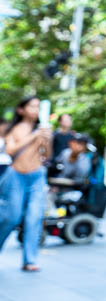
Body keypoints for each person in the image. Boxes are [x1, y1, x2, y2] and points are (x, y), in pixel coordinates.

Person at [0, 97, 53, 272]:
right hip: (16, 175)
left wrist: (47, 138)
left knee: (34, 217)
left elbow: (47, 155)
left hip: (37, 176)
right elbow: (10, 150)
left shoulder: (41, 129)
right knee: (11, 217)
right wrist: (34, 135)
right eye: (32, 106)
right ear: (21, 110)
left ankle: (30, 259)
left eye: (38, 106)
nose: (35, 109)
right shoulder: (13, 129)